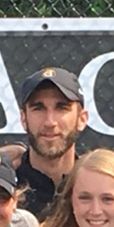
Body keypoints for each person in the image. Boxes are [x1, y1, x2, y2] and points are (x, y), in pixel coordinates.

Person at [15, 67, 89, 219]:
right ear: (23, 119)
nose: (50, 122)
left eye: (62, 108)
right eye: (38, 108)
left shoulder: (96, 188)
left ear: (82, 119)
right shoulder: (4, 190)